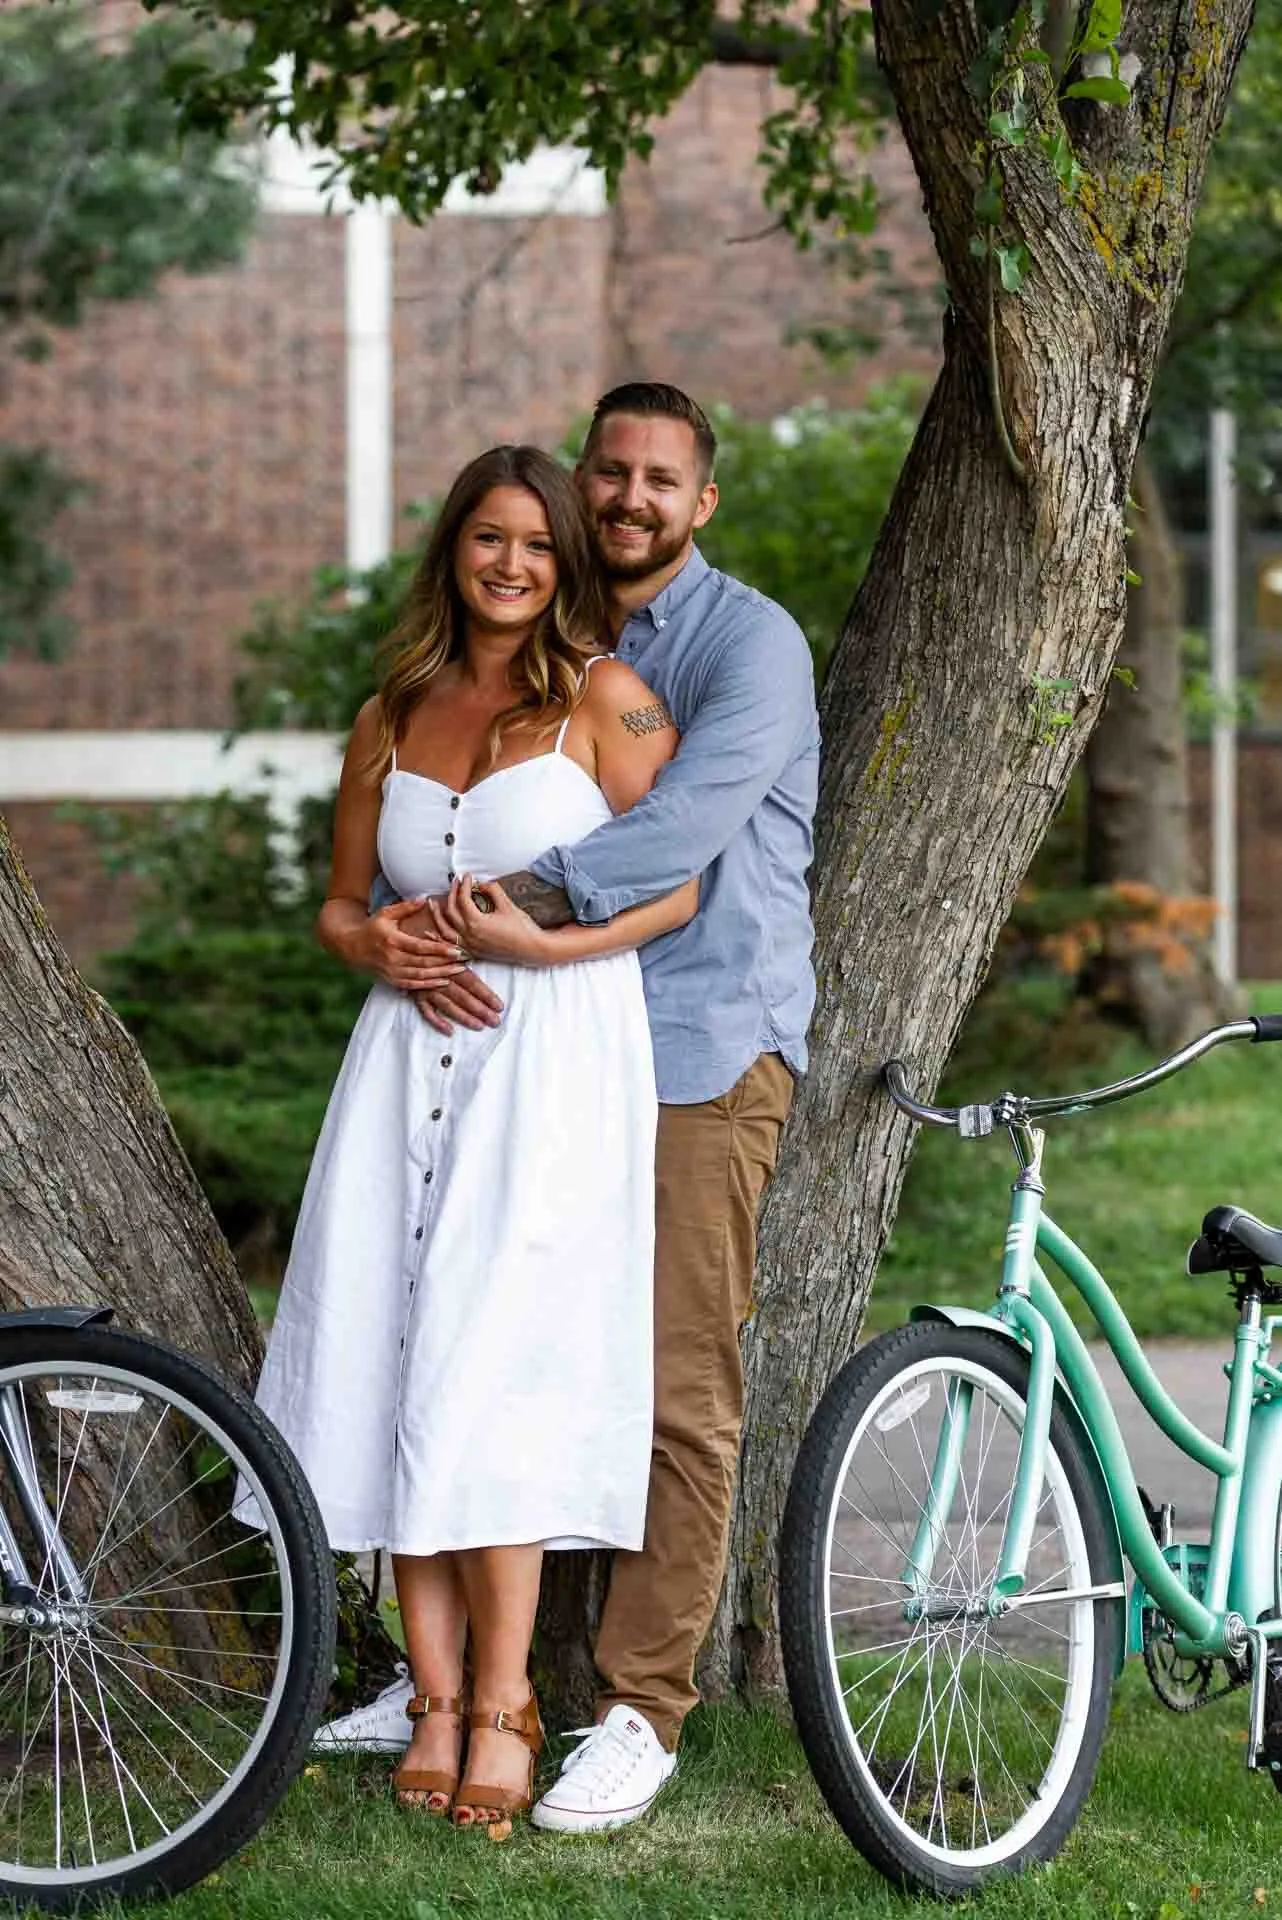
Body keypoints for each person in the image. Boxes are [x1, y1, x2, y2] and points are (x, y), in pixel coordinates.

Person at [317, 384, 820, 1835]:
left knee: (665, 1386)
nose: (631, 497)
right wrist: (390, 932)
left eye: (662, 478)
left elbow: (678, 840)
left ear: (700, 503)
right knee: (478, 1347)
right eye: (611, 470)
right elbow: (378, 866)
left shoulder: (741, 647)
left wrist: (488, 918)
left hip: (694, 1050)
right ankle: (470, 1682)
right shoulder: (551, 642)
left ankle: (636, 1709)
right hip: (527, 1055)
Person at [255, 441, 698, 1838]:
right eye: (488, 539)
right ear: (454, 547)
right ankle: (434, 1699)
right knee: (394, 1358)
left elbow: (680, 892)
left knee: (494, 1367)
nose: (510, 565)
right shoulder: (393, 709)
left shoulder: (610, 706)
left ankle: (506, 1703)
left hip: (548, 1063)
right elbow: (337, 907)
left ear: (566, 564)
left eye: (538, 546)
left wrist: (544, 944)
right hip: (400, 1068)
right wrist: (374, 943)